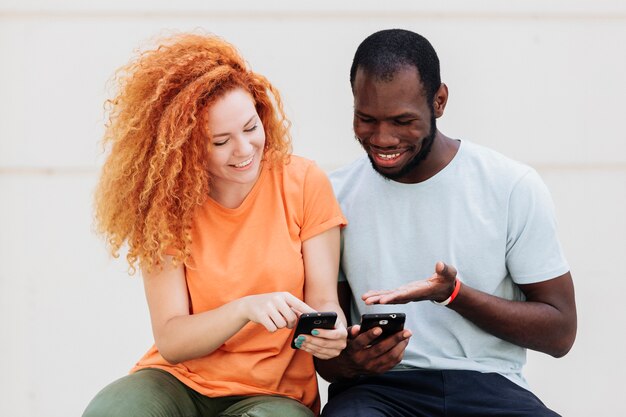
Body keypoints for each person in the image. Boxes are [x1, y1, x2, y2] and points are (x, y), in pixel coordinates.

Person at [83, 32, 347, 417]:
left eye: (251, 127)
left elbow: (324, 301)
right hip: (178, 382)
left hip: (273, 396)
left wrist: (332, 333)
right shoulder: (166, 206)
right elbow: (171, 338)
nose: (244, 150)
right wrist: (245, 310)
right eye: (220, 141)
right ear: (186, 146)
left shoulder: (305, 183)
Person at [316, 29, 577, 417]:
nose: (383, 138)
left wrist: (454, 295)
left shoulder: (510, 186)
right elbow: (326, 357)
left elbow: (560, 332)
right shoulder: (331, 196)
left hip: (490, 386)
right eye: (366, 119)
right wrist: (353, 360)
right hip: (377, 393)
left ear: (439, 101)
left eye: (403, 120)